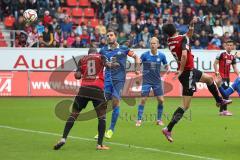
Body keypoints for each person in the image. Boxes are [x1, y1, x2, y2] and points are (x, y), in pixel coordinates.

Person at [161, 17, 232, 143]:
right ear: (175, 29)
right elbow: (183, 55)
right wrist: (182, 70)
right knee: (185, 106)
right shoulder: (182, 39)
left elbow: (188, 35)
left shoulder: (170, 40)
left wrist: (191, 23)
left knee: (210, 79)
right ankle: (168, 128)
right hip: (187, 73)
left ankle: (220, 101)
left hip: (190, 71)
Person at [53, 48, 109, 150]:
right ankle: (99, 144)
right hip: (97, 89)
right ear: (96, 52)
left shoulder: (82, 60)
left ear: (88, 53)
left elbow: (77, 76)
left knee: (73, 114)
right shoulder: (101, 57)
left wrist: (80, 72)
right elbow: (108, 65)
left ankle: (63, 138)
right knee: (102, 117)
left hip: (84, 89)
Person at [97, 29, 140, 139]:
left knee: (115, 102)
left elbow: (136, 57)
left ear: (115, 37)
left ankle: (111, 129)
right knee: (103, 105)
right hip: (107, 80)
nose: (109, 37)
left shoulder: (124, 49)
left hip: (119, 80)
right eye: (107, 36)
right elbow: (99, 63)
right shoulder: (103, 50)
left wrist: (137, 68)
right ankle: (101, 131)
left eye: (111, 35)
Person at [136, 37, 169, 127]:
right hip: (146, 80)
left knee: (161, 100)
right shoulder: (145, 55)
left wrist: (167, 68)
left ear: (158, 45)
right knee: (143, 99)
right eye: (151, 43)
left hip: (157, 81)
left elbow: (166, 64)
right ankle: (139, 120)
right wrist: (138, 71)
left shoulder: (161, 55)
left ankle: (159, 120)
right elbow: (139, 63)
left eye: (154, 43)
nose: (152, 45)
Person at [213, 40, 239, 116]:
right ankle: (224, 111)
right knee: (226, 95)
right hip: (221, 77)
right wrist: (217, 73)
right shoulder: (221, 54)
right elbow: (215, 64)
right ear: (225, 46)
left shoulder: (232, 57)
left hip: (227, 78)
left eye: (231, 45)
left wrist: (239, 75)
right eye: (228, 45)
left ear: (233, 46)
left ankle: (221, 109)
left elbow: (234, 68)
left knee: (225, 95)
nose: (230, 47)